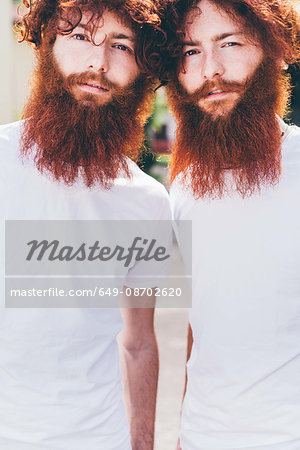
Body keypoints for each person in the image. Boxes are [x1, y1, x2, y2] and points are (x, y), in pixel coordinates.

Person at [0, 1, 171, 449]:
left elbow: (139, 342)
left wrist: (143, 442)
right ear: (47, 43)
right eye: (79, 37)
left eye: (121, 45)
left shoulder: (149, 204)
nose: (97, 63)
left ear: (143, 69)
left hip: (100, 438)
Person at [162, 0, 300, 449]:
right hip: (204, 435)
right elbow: (201, 318)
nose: (211, 70)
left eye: (230, 43)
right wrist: (184, 431)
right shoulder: (183, 185)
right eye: (190, 51)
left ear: (274, 49)